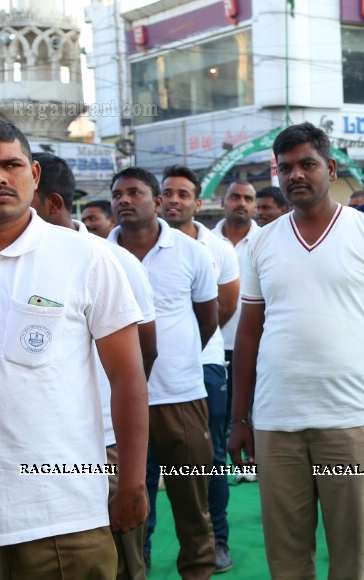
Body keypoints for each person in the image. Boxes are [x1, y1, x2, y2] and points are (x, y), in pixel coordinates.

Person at [228, 123, 364, 580]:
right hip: (275, 423)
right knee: (287, 560)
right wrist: (239, 417)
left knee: (353, 558)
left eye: (307, 164)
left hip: (351, 420)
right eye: (286, 168)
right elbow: (248, 334)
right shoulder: (261, 241)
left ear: (331, 168)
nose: (296, 175)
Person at [0, 123, 147, 580]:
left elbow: (128, 377)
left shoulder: (86, 258)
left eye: (11, 165)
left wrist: (131, 483)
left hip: (59, 515)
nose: (1, 178)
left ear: (35, 173)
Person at [109, 166, 219, 579]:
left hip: (180, 397)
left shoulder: (191, 252)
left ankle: (199, 570)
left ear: (156, 203)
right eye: (117, 193)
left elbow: (209, 318)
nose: (123, 200)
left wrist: (178, 357)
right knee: (127, 502)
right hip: (116, 404)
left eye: (134, 192)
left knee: (191, 501)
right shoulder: (101, 255)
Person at [159, 165, 240, 573]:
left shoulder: (217, 248)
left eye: (183, 194)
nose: (174, 200)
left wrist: (188, 345)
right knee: (144, 464)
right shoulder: (121, 246)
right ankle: (139, 545)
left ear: (197, 202)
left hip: (204, 369)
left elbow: (222, 309)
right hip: (143, 378)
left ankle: (216, 540)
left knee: (211, 461)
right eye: (168, 193)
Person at [213, 179, 260, 484]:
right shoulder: (204, 241)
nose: (241, 203)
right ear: (223, 202)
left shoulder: (266, 239)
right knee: (219, 414)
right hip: (214, 342)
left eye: (247, 198)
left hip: (255, 341)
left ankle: (251, 465)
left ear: (254, 206)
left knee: (252, 408)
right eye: (234, 197)